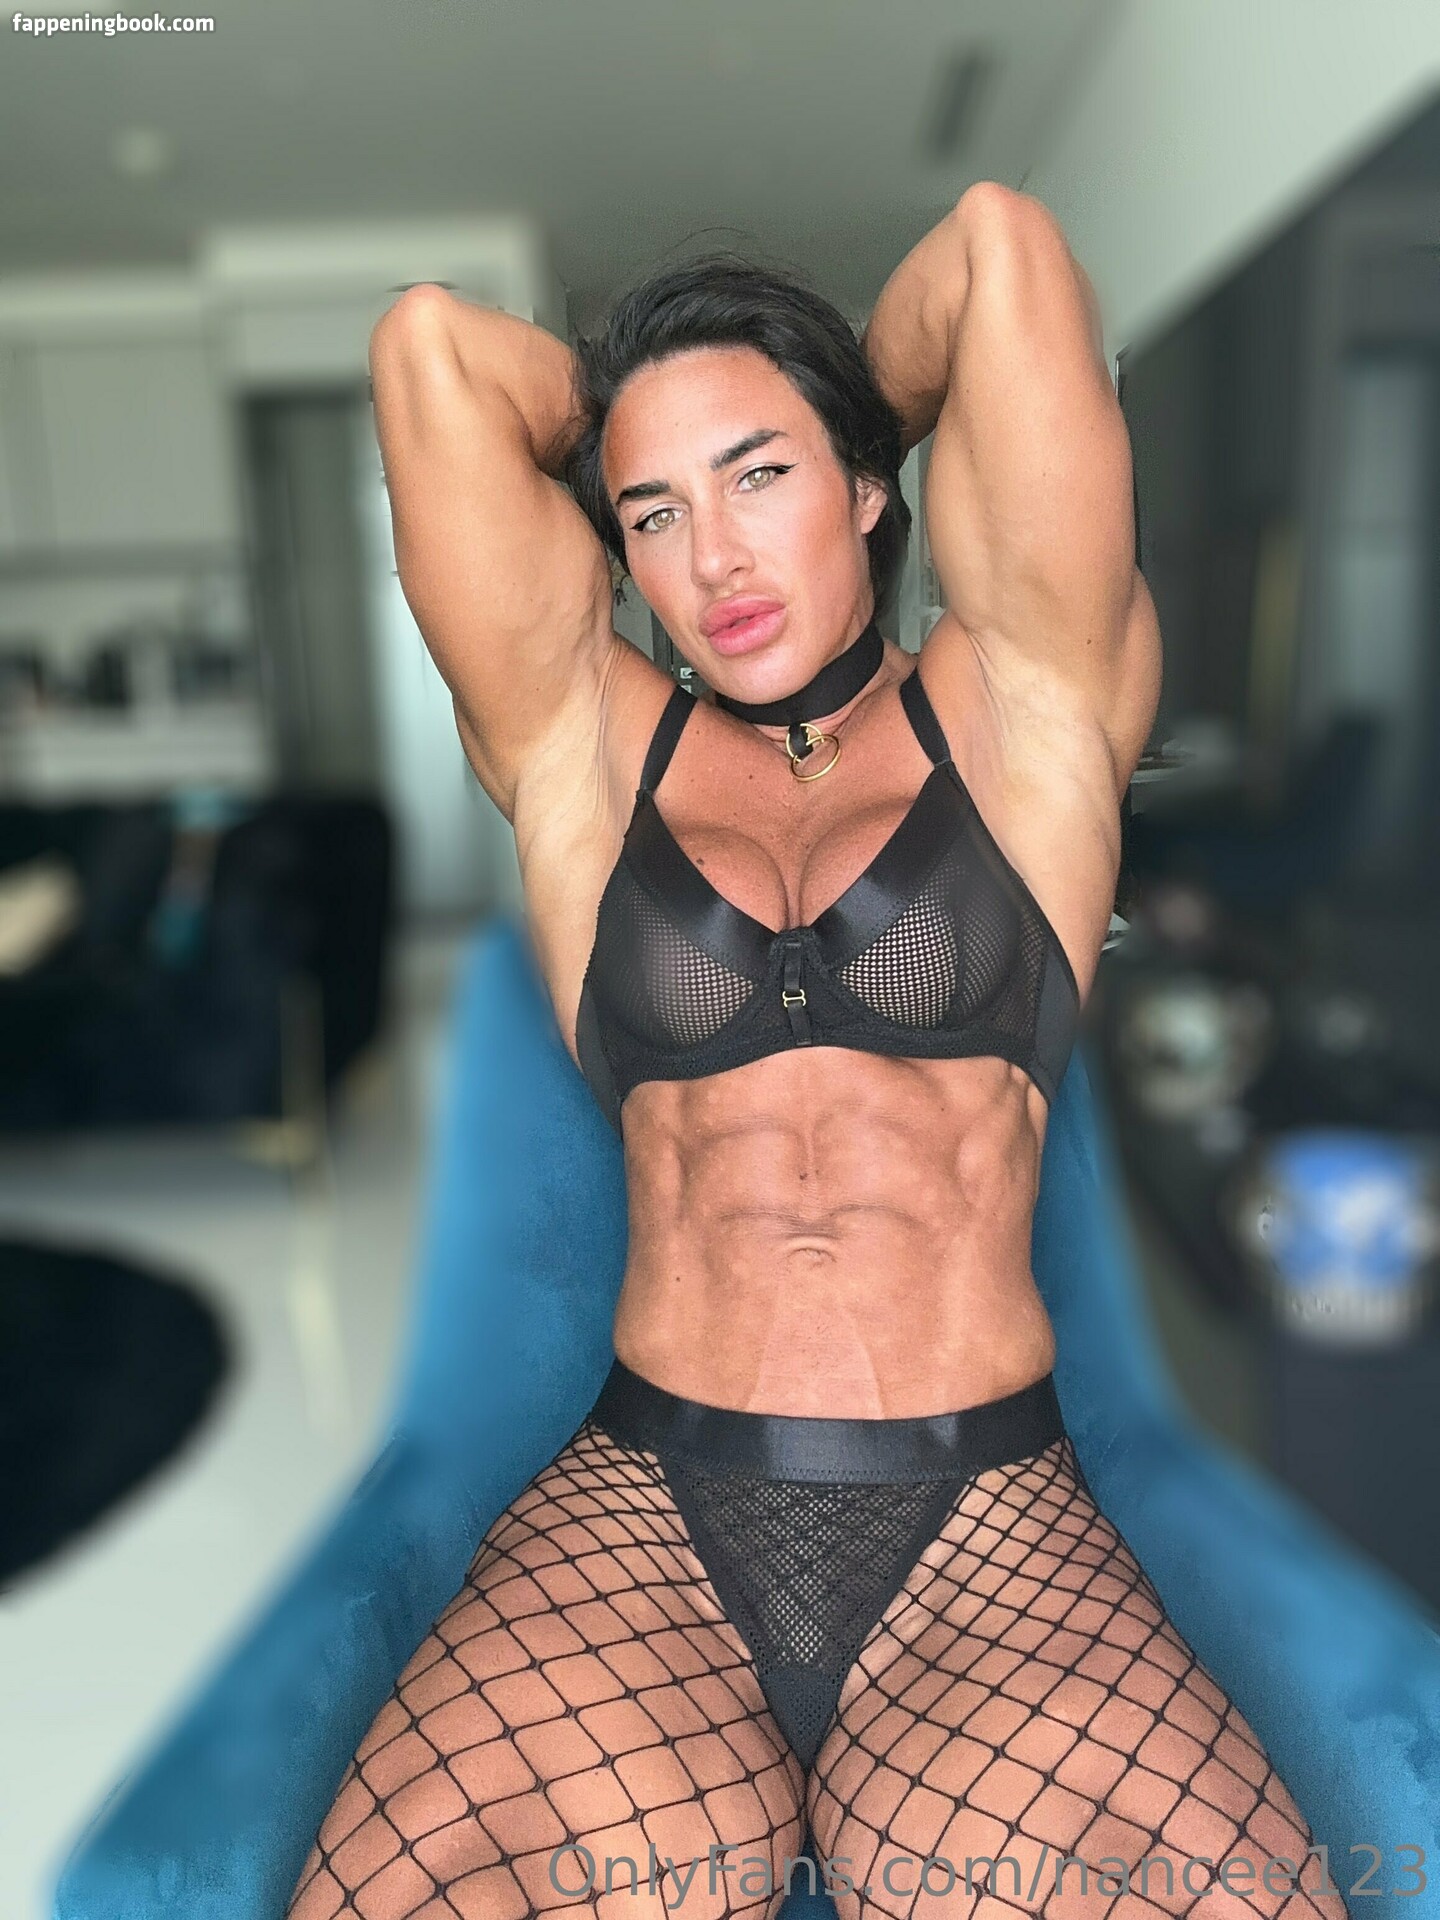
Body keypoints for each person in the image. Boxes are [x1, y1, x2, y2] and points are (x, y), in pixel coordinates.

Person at [286, 186, 1348, 1920]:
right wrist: (648, 410)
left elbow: (998, 250)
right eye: (654, 512)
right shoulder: (583, 749)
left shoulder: (1019, 708)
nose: (712, 557)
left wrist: (839, 393)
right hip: (643, 1512)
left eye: (760, 476)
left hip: (982, 1524)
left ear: (867, 485)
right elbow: (429, 353)